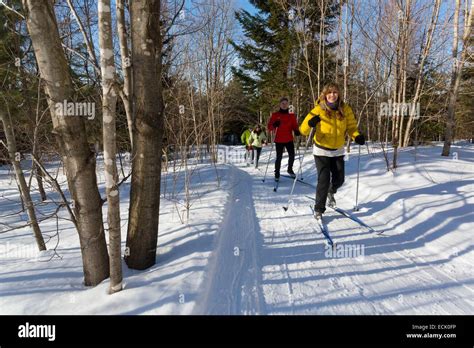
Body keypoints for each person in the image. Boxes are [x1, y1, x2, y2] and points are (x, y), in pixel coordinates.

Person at [299, 82, 365, 219]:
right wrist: (311, 123)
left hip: (338, 150)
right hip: (321, 150)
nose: (332, 95)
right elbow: (303, 130)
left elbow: (352, 127)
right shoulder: (318, 109)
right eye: (329, 93)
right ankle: (319, 209)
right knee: (323, 179)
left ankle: (331, 191)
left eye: (335, 92)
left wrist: (356, 136)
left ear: (338, 94)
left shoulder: (345, 109)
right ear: (325, 95)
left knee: (339, 180)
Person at [267, 97, 300, 181]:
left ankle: (290, 169)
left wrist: (296, 130)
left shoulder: (291, 115)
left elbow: (294, 125)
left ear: (288, 105)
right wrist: (274, 125)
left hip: (289, 138)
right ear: (280, 104)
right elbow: (269, 127)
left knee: (292, 155)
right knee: (279, 157)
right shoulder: (275, 115)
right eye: (283, 103)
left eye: (286, 103)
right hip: (279, 139)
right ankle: (277, 173)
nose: (285, 105)